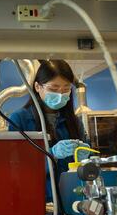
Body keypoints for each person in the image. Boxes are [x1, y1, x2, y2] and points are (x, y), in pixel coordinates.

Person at [8, 59, 90, 199]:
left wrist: (86, 159)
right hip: (36, 198)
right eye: (53, 89)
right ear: (37, 87)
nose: (60, 95)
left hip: (71, 198)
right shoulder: (19, 119)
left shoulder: (74, 122)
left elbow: (87, 170)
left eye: (66, 89)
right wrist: (52, 155)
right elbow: (16, 167)